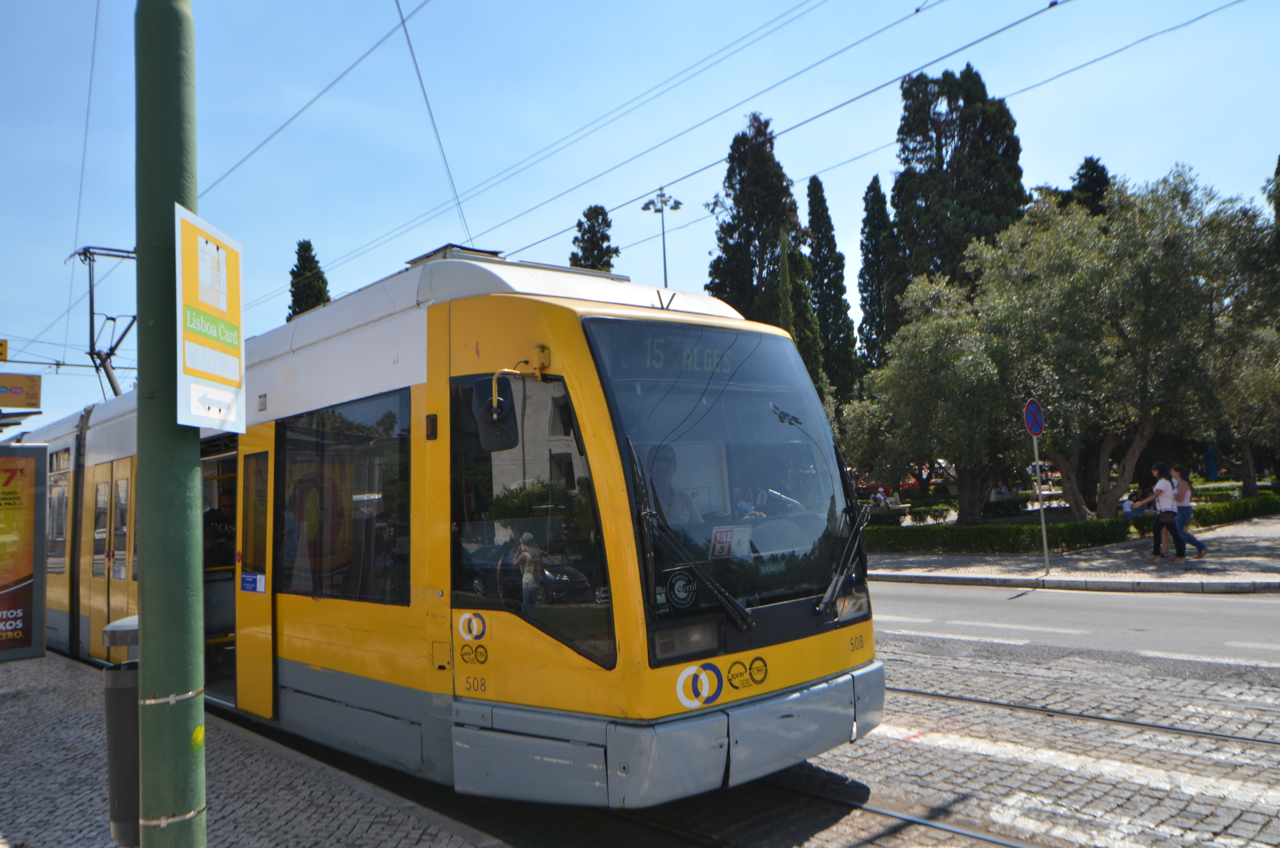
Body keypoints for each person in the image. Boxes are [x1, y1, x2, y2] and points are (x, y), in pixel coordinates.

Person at [1134, 463, 1185, 563]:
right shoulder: (1166, 481)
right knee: (1157, 530)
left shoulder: (1162, 482)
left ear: (1159, 471)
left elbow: (1156, 495)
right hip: (1166, 510)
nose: (1152, 471)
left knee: (1172, 533)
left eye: (1154, 470)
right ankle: (1157, 553)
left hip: (1166, 511)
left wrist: (1141, 502)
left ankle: (1179, 556)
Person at [647, 445, 702, 524]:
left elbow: (700, 528)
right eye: (656, 460)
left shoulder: (685, 499)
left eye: (667, 460)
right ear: (648, 467)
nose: (662, 464)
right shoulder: (640, 498)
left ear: (675, 466)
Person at [1172, 465, 1208, 559]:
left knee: (1179, 533)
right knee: (1180, 532)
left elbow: (1180, 498)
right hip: (1179, 510)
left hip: (1183, 510)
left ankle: (1201, 546)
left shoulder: (1183, 483)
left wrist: (1168, 495)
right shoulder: (1179, 483)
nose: (1171, 474)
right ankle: (1181, 554)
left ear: (1178, 473)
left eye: (1173, 472)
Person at [203, 489, 236, 569]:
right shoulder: (209, 517)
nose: (227, 509)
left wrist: (240, 544)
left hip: (235, 565)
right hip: (211, 566)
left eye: (231, 506)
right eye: (224, 506)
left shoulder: (244, 519)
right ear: (220, 505)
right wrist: (204, 543)